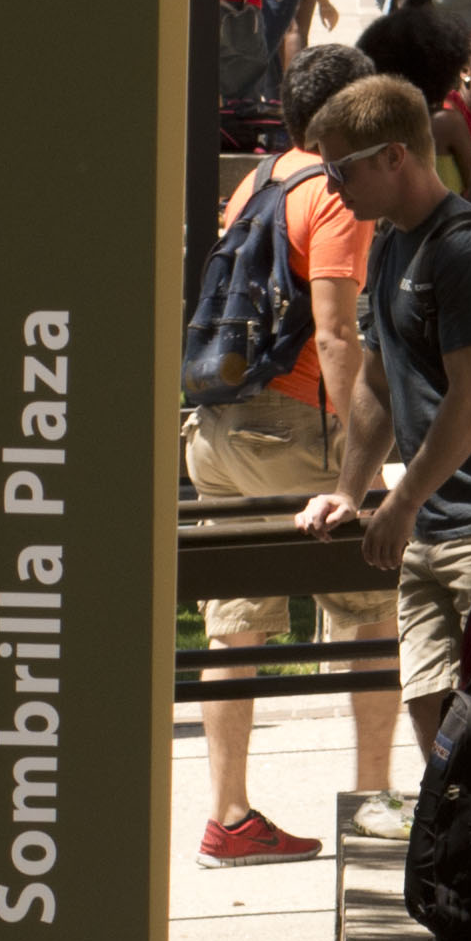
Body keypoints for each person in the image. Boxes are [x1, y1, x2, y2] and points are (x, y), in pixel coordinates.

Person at [191, 43, 404, 874]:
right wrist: (362, 458)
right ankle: (375, 800)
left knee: (233, 627)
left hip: (221, 427)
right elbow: (338, 330)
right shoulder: (338, 193)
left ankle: (228, 816)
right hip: (296, 427)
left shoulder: (263, 178)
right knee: (372, 609)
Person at [298, 70, 471, 740]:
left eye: (341, 169)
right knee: (434, 723)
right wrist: (350, 493)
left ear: (394, 156)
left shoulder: (469, 249)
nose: (331, 185)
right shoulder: (388, 241)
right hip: (426, 529)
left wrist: (403, 500)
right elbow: (379, 385)